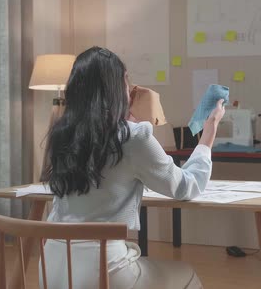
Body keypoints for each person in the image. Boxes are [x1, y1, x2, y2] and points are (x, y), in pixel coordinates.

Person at [41, 46, 225, 288]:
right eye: (126, 80)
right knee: (186, 273)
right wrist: (207, 137)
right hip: (102, 272)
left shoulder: (61, 134)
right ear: (116, 89)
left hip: (51, 269)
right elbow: (185, 187)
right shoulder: (134, 136)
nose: (130, 89)